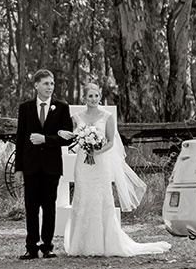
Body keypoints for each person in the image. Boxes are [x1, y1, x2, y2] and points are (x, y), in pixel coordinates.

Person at [65, 82, 171, 256]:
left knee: (101, 199)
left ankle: (104, 244)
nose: (93, 99)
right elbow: (73, 140)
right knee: (83, 199)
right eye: (90, 96)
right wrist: (82, 143)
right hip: (83, 164)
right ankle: (80, 245)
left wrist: (96, 151)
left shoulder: (107, 117)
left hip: (100, 164)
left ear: (100, 97)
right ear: (84, 98)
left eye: (96, 96)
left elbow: (110, 142)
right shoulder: (77, 117)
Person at [15, 69, 75, 259]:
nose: (50, 87)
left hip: (51, 167)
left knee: (49, 207)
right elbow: (21, 139)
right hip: (31, 166)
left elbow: (68, 139)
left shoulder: (62, 107)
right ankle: (31, 247)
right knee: (31, 208)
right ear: (36, 86)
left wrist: (45, 139)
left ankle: (47, 246)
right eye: (46, 83)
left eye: (52, 83)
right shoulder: (25, 108)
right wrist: (18, 168)